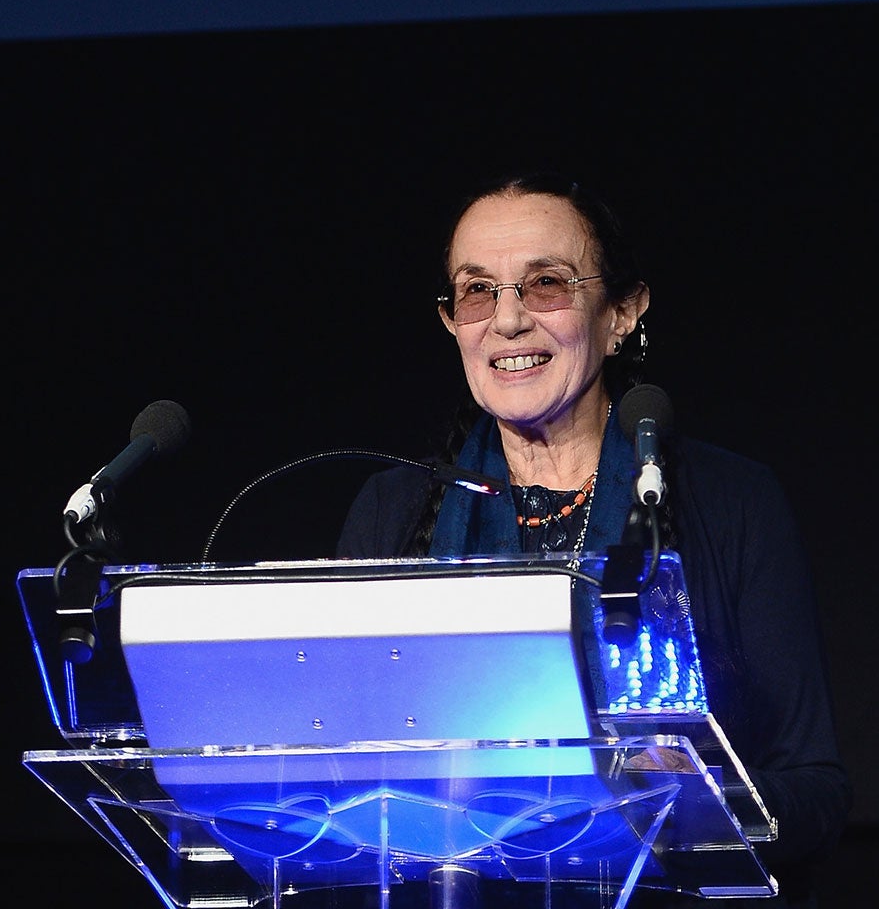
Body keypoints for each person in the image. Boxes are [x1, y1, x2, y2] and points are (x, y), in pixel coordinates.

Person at [338, 175, 851, 904]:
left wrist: (700, 797)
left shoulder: (731, 503)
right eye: (478, 291)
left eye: (545, 284)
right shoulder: (392, 513)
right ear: (452, 319)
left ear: (622, 314)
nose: (508, 320)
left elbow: (815, 794)